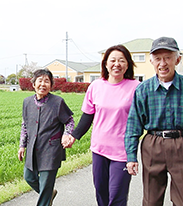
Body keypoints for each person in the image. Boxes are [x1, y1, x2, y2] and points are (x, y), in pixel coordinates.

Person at [62, 45, 140, 206]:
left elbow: (141, 119)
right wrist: (73, 136)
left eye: (121, 60)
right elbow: (87, 117)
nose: (116, 64)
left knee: (117, 196)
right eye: (113, 60)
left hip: (122, 152)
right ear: (105, 64)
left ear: (127, 64)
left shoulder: (136, 88)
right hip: (99, 150)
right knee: (101, 193)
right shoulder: (96, 86)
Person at [125, 37, 183, 205]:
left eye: (167, 57)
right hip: (153, 144)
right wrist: (131, 156)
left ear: (177, 59)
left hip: (181, 142)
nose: (162, 63)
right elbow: (133, 125)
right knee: (151, 199)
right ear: (151, 61)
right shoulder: (143, 89)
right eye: (157, 58)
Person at [18, 68, 74, 206]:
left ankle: (46, 195)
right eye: (40, 81)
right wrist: (22, 145)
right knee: (29, 177)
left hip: (51, 150)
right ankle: (49, 193)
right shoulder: (27, 102)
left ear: (51, 85)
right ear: (33, 84)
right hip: (33, 149)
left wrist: (67, 134)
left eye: (47, 81)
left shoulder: (58, 102)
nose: (43, 84)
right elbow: (24, 125)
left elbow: (69, 121)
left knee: (45, 186)